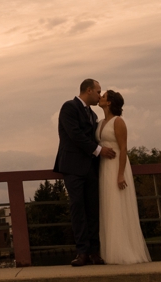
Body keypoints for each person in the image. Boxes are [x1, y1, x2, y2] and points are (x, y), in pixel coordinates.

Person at [54, 78, 117, 267]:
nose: (100, 95)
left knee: (92, 210)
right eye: (98, 92)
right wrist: (98, 150)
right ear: (88, 90)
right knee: (78, 209)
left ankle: (94, 252)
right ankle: (82, 253)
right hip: (72, 167)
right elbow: (75, 135)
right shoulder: (69, 107)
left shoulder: (91, 114)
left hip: (90, 168)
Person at [96, 89, 151, 264]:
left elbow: (123, 148)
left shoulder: (118, 122)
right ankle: (110, 252)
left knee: (117, 205)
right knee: (108, 207)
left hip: (116, 166)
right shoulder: (99, 123)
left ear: (110, 102)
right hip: (104, 167)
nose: (100, 98)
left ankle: (123, 252)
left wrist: (120, 174)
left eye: (103, 96)